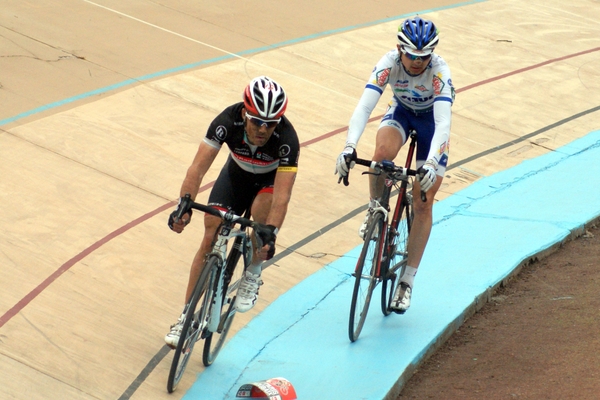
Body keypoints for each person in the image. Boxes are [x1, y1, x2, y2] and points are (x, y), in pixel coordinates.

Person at [165, 76, 300, 348]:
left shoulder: (287, 139)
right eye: (256, 121)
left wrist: (270, 236)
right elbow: (197, 169)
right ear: (244, 113)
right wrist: (185, 204)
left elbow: (282, 197)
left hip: (268, 185)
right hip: (235, 177)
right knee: (210, 230)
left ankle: (253, 271)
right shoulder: (226, 121)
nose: (263, 129)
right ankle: (186, 317)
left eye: (270, 124)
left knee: (262, 213)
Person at [335, 17, 454, 314]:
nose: (417, 62)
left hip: (430, 126)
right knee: (380, 157)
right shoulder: (388, 63)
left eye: (423, 57)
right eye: (412, 55)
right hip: (401, 112)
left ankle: (407, 282)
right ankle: (376, 206)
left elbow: (443, 123)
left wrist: (430, 163)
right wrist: (349, 146)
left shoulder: (439, 72)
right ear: (400, 49)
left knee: (423, 199)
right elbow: (364, 107)